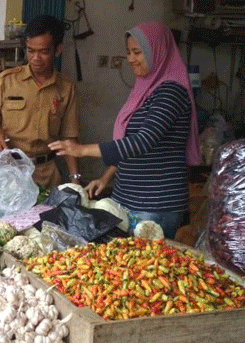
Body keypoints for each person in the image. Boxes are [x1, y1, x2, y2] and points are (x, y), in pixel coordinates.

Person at [48, 21, 201, 239]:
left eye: (137, 52)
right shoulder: (146, 89)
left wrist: (81, 150)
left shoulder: (171, 92)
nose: (130, 59)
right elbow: (130, 144)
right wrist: (106, 177)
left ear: (156, 53)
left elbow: (143, 141)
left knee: (148, 268)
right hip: (128, 200)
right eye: (128, 52)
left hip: (154, 204)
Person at [0, 14, 81, 188]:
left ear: (57, 50)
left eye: (43, 52)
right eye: (30, 50)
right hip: (9, 170)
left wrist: (75, 179)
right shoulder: (6, 80)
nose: (35, 58)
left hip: (46, 174)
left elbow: (69, 137)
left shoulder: (66, 87)